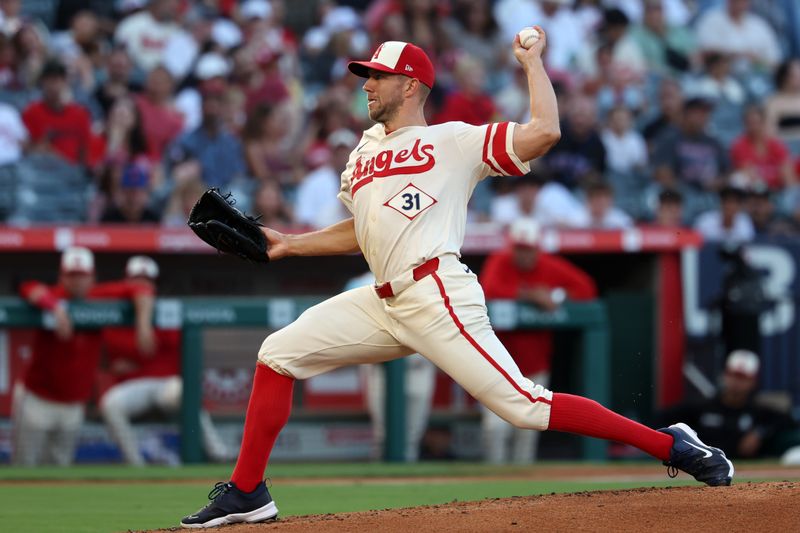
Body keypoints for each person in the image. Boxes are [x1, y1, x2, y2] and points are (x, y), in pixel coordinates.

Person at [181, 30, 734, 528]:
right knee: (278, 352)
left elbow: (545, 131)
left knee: (524, 406)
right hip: (383, 299)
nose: (367, 85)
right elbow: (366, 230)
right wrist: (291, 244)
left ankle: (673, 446)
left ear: (412, 85)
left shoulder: (454, 142)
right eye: (365, 76)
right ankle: (248, 493)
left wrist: (531, 62)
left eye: (378, 76)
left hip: (436, 291)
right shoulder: (361, 154)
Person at [13, 247, 154, 466]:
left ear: (92, 277)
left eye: (82, 275)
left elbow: (142, 289)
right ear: (62, 277)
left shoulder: (99, 296)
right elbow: (27, 287)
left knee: (60, 466)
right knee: (24, 465)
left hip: (73, 404)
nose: (77, 281)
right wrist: (55, 308)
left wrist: (143, 324)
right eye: (72, 275)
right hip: (36, 399)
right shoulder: (55, 295)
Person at [479, 218, 597, 463]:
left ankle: (523, 494)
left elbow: (586, 288)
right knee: (495, 429)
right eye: (519, 248)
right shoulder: (500, 261)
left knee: (527, 432)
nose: (523, 254)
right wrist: (530, 295)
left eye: (528, 249)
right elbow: (488, 290)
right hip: (498, 365)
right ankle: (490, 486)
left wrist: (557, 295)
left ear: (537, 248)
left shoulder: (547, 265)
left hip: (535, 364)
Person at [100, 256, 232, 465]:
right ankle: (135, 464)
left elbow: (164, 349)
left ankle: (218, 453)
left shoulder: (165, 309)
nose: (141, 284)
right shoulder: (112, 308)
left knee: (184, 391)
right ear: (126, 280)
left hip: (165, 383)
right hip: (133, 384)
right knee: (110, 405)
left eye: (146, 280)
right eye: (136, 279)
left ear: (155, 284)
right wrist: (110, 366)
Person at [345, 272, 436, 463]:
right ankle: (380, 487)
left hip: (419, 365)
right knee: (382, 436)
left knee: (412, 437)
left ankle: (407, 488)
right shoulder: (360, 281)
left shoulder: (427, 275)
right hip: (382, 369)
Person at [658, 351, 798, 460]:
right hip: (704, 464)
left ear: (753, 381)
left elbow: (787, 420)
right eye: (733, 375)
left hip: (745, 472)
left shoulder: (758, 411)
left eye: (743, 378)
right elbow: (663, 418)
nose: (736, 382)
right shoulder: (703, 408)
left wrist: (759, 433)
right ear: (725, 375)